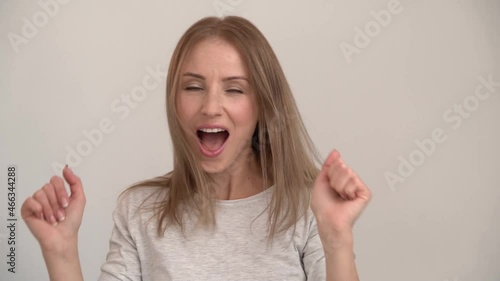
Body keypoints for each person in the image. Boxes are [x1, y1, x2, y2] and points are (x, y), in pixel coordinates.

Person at [21, 16, 372, 281]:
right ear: (174, 101)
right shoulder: (140, 211)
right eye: (193, 87)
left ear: (264, 105)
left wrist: (337, 237)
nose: (210, 106)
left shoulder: (306, 206)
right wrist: (60, 251)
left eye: (234, 89)